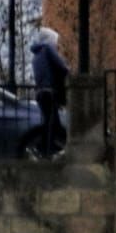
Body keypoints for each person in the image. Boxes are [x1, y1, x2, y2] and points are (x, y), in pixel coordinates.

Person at [30, 27, 70, 158]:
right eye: (55, 41)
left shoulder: (36, 56)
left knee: (48, 122)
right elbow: (62, 67)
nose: (56, 44)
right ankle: (49, 151)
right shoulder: (48, 49)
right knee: (54, 123)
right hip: (50, 91)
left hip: (40, 92)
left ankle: (44, 149)